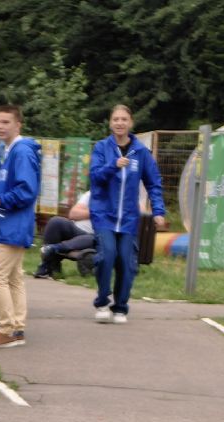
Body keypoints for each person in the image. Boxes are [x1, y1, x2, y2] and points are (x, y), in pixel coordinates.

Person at [89, 104, 166, 324]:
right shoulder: (102, 148)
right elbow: (95, 177)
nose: (120, 123)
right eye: (116, 119)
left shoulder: (141, 152)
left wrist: (158, 210)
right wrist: (113, 166)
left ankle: (121, 307)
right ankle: (102, 302)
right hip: (104, 214)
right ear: (110, 123)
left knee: (126, 261)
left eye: (124, 119)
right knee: (107, 255)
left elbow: (154, 183)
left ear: (130, 123)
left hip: (129, 218)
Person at [0, 104, 39, 349]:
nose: (1, 126)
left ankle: (6, 329)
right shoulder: (12, 151)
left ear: (18, 124)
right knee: (14, 278)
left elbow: (26, 190)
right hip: (11, 224)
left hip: (12, 226)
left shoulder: (21, 151)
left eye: (6, 122)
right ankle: (17, 328)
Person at [34, 191, 94, 278]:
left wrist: (86, 212)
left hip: (96, 237)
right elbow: (73, 214)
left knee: (92, 238)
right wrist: (96, 213)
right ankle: (49, 267)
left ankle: (53, 248)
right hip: (76, 230)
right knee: (55, 222)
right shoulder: (91, 194)